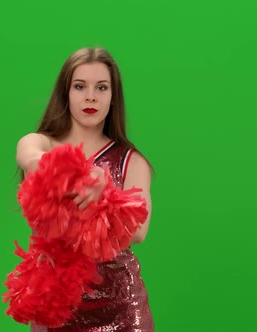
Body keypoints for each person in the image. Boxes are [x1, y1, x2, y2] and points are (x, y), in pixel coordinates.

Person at [15, 47, 154, 331]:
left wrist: (105, 194)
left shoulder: (132, 160)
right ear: (65, 93)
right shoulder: (39, 143)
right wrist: (80, 173)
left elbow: (138, 233)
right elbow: (31, 161)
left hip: (122, 309)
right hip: (56, 306)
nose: (91, 96)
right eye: (80, 86)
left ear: (113, 97)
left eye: (101, 87)